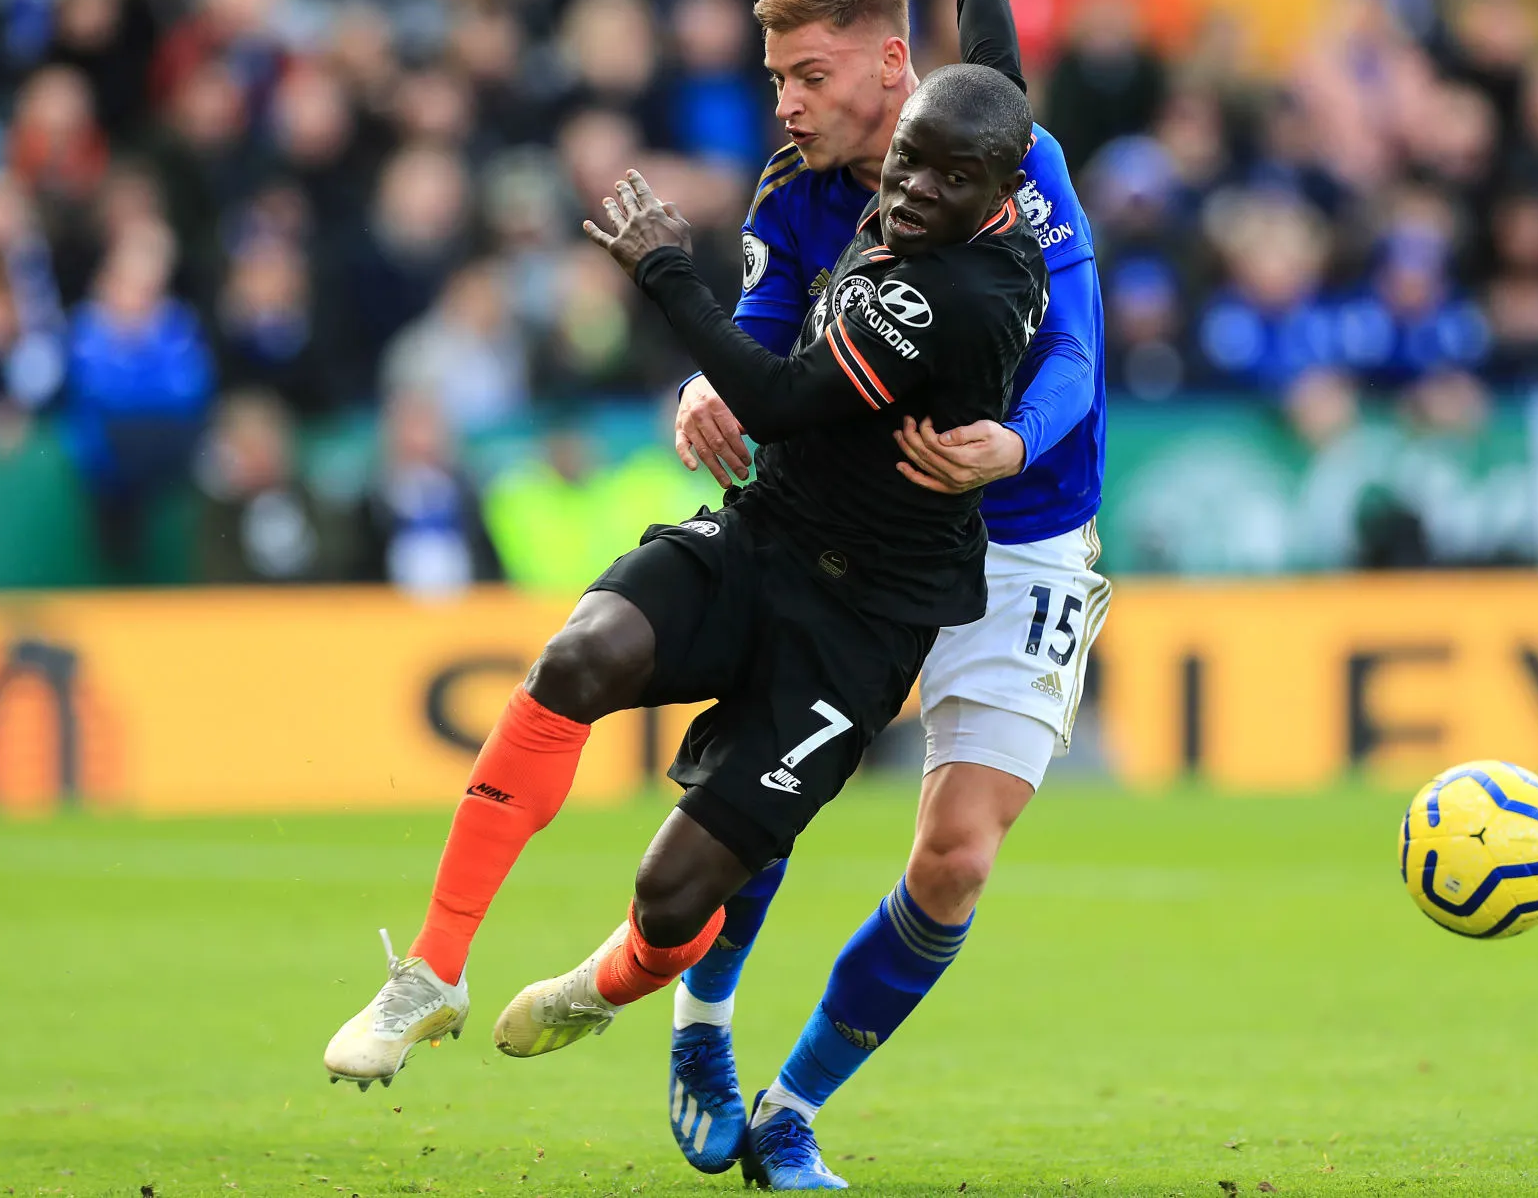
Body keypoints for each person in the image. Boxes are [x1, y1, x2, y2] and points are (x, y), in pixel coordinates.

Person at [320, 69, 1046, 1174]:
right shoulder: (930, 169)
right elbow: (992, 68)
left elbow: (783, 400)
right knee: (580, 653)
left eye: (948, 180)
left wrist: (663, 269)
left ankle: (611, 980)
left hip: (863, 619)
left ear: (1001, 190)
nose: (910, 193)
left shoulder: (958, 295)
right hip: (766, 533)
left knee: (675, 893)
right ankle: (429, 970)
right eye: (907, 162)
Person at [665, 0, 1108, 1188]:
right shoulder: (805, 189)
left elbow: (1083, 349)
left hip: (1026, 530)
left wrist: (1014, 441)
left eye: (808, 72)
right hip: (863, 530)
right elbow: (773, 311)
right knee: (775, 794)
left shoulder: (1016, 161)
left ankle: (792, 1111)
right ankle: (702, 1021)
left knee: (956, 861)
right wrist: (706, 386)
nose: (790, 101)